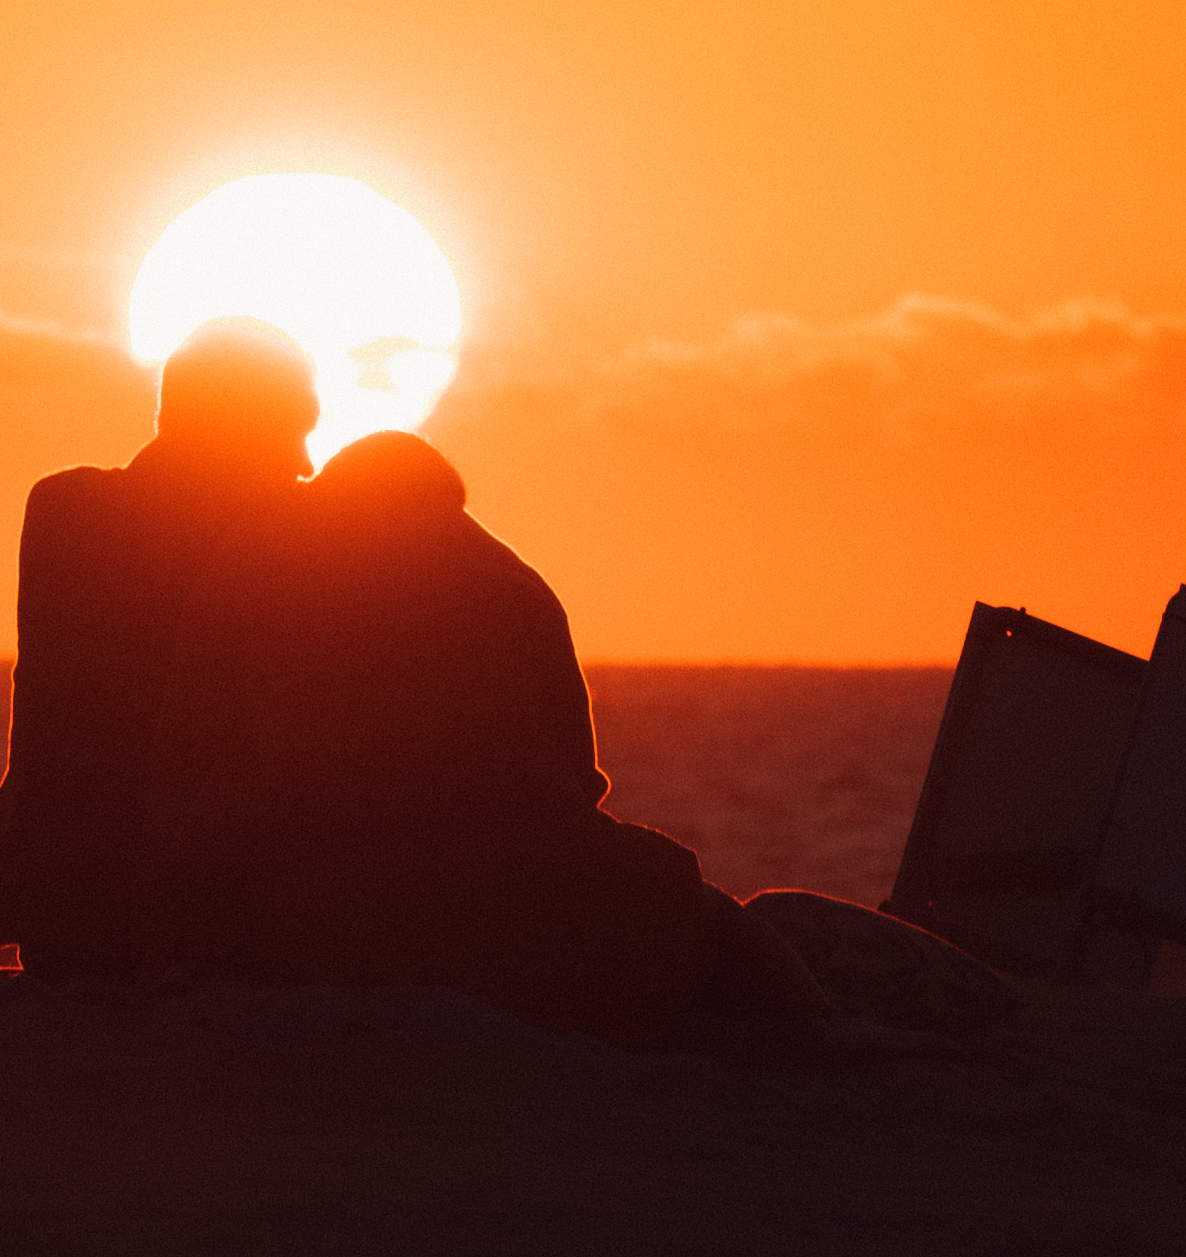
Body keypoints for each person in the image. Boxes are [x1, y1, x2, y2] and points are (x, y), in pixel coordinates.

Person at [140, 430, 848, 1051]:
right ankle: (821, 1032)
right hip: (516, 891)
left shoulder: (248, 560)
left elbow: (188, 751)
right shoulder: (510, 580)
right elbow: (577, 778)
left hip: (324, 904)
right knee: (680, 896)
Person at [0, 317, 320, 985]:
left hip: (61, 904)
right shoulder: (271, 543)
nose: (305, 463)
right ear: (233, 434)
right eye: (292, 432)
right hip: (186, 914)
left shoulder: (67, 511)